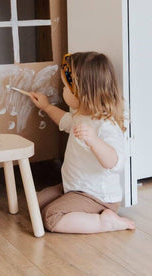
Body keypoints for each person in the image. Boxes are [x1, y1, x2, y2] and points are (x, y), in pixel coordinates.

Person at [30, 52, 135, 234]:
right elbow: (64, 120)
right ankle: (83, 212)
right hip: (75, 187)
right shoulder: (82, 116)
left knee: (50, 217)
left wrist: (93, 140)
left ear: (82, 92)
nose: (62, 90)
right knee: (33, 203)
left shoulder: (106, 124)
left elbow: (114, 162)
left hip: (98, 197)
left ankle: (105, 222)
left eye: (65, 87)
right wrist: (46, 107)